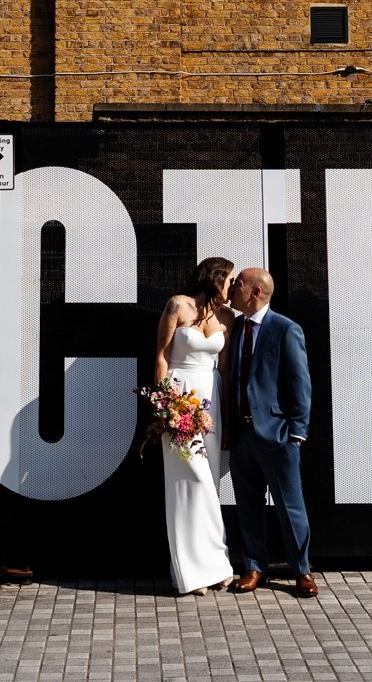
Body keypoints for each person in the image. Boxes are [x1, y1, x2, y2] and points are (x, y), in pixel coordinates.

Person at [223, 266, 316, 599]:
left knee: (290, 506)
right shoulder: (234, 326)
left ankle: (302, 571)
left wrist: (296, 434)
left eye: (238, 285)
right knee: (248, 505)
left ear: (255, 292)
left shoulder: (285, 330)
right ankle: (253, 567)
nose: (232, 288)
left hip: (277, 435)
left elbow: (299, 384)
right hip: (242, 435)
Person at [151, 256, 236, 596]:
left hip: (211, 399)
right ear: (214, 279)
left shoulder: (228, 317)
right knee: (188, 483)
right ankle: (190, 572)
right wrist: (163, 406)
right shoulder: (177, 306)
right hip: (179, 398)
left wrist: (227, 419)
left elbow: (226, 372)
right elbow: (160, 356)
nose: (231, 287)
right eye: (228, 280)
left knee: (208, 483)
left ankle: (216, 566)